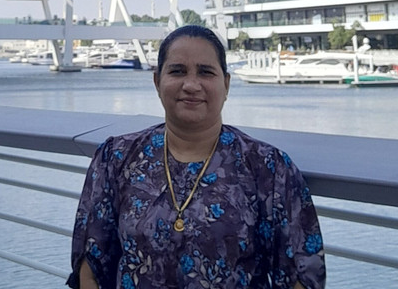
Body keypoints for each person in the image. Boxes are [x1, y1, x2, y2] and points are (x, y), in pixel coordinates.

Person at [68, 25, 325, 289]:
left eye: (205, 72)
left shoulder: (268, 168)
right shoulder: (117, 158)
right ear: (157, 82)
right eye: (177, 71)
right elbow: (91, 264)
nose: (191, 85)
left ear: (225, 84)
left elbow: (302, 274)